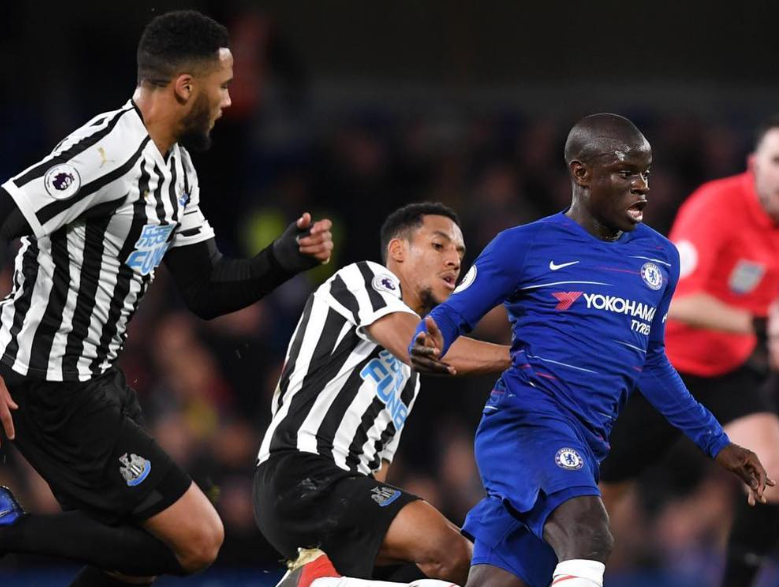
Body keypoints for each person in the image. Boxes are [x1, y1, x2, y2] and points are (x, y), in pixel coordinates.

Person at [0, 10, 332, 587]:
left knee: (134, 563)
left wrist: (282, 259)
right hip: (49, 380)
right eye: (222, 86)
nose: (229, 100)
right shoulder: (106, 153)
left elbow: (205, 289)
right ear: (185, 87)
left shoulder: (177, 171)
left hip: (98, 381)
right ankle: (7, 529)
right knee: (198, 539)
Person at [408, 114, 772, 587]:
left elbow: (653, 363)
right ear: (581, 173)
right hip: (526, 425)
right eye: (625, 172)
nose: (642, 186)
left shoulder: (660, 258)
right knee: (589, 530)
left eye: (646, 173)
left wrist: (717, 444)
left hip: (588, 440)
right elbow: (452, 316)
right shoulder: (524, 245)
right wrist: (429, 338)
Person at [253, 202, 511, 587]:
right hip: (300, 473)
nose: (454, 261)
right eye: (439, 245)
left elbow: (378, 471)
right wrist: (525, 356)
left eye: (459, 252)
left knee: (456, 575)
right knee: (452, 551)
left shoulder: (409, 377)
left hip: (343, 497)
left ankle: (318, 583)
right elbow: (425, 346)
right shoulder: (363, 278)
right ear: (398, 250)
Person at [599, 115, 779, 587]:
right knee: (598, 496)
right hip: (661, 367)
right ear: (754, 165)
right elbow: (675, 299)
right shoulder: (717, 205)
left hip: (726, 368)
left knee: (771, 473)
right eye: (777, 160)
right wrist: (762, 325)